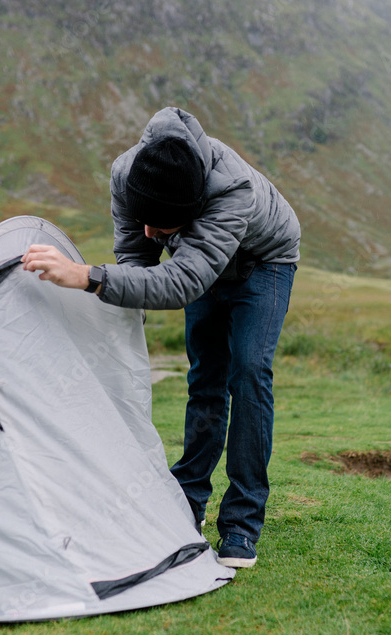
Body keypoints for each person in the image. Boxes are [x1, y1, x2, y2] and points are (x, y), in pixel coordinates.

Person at [21, 107, 300, 568]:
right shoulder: (128, 174)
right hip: (202, 263)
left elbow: (182, 281)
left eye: (163, 228)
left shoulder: (231, 189)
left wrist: (85, 276)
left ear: (191, 214)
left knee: (248, 371)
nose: (151, 232)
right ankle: (186, 506)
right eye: (144, 219)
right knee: (204, 380)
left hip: (263, 262)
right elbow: (135, 257)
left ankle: (242, 523)